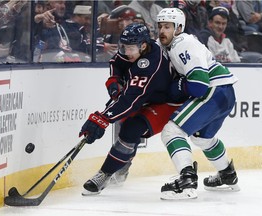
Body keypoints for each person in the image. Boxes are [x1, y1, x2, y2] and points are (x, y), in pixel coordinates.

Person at [79, 23, 187, 195]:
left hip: (166, 103)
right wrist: (114, 80)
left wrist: (101, 119)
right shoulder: (137, 49)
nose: (126, 52)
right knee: (125, 126)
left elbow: (130, 101)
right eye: (124, 47)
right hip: (145, 96)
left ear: (143, 46)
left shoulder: (149, 65)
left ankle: (104, 174)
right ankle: (121, 168)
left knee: (131, 129)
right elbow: (116, 61)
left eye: (130, 48)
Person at [156, 7, 240, 200]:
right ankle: (227, 175)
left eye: (167, 26)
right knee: (202, 139)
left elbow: (199, 85)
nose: (162, 31)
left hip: (213, 90)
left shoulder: (182, 43)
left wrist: (177, 87)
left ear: (178, 28)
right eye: (160, 26)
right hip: (224, 92)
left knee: (172, 131)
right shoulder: (173, 43)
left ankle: (186, 181)